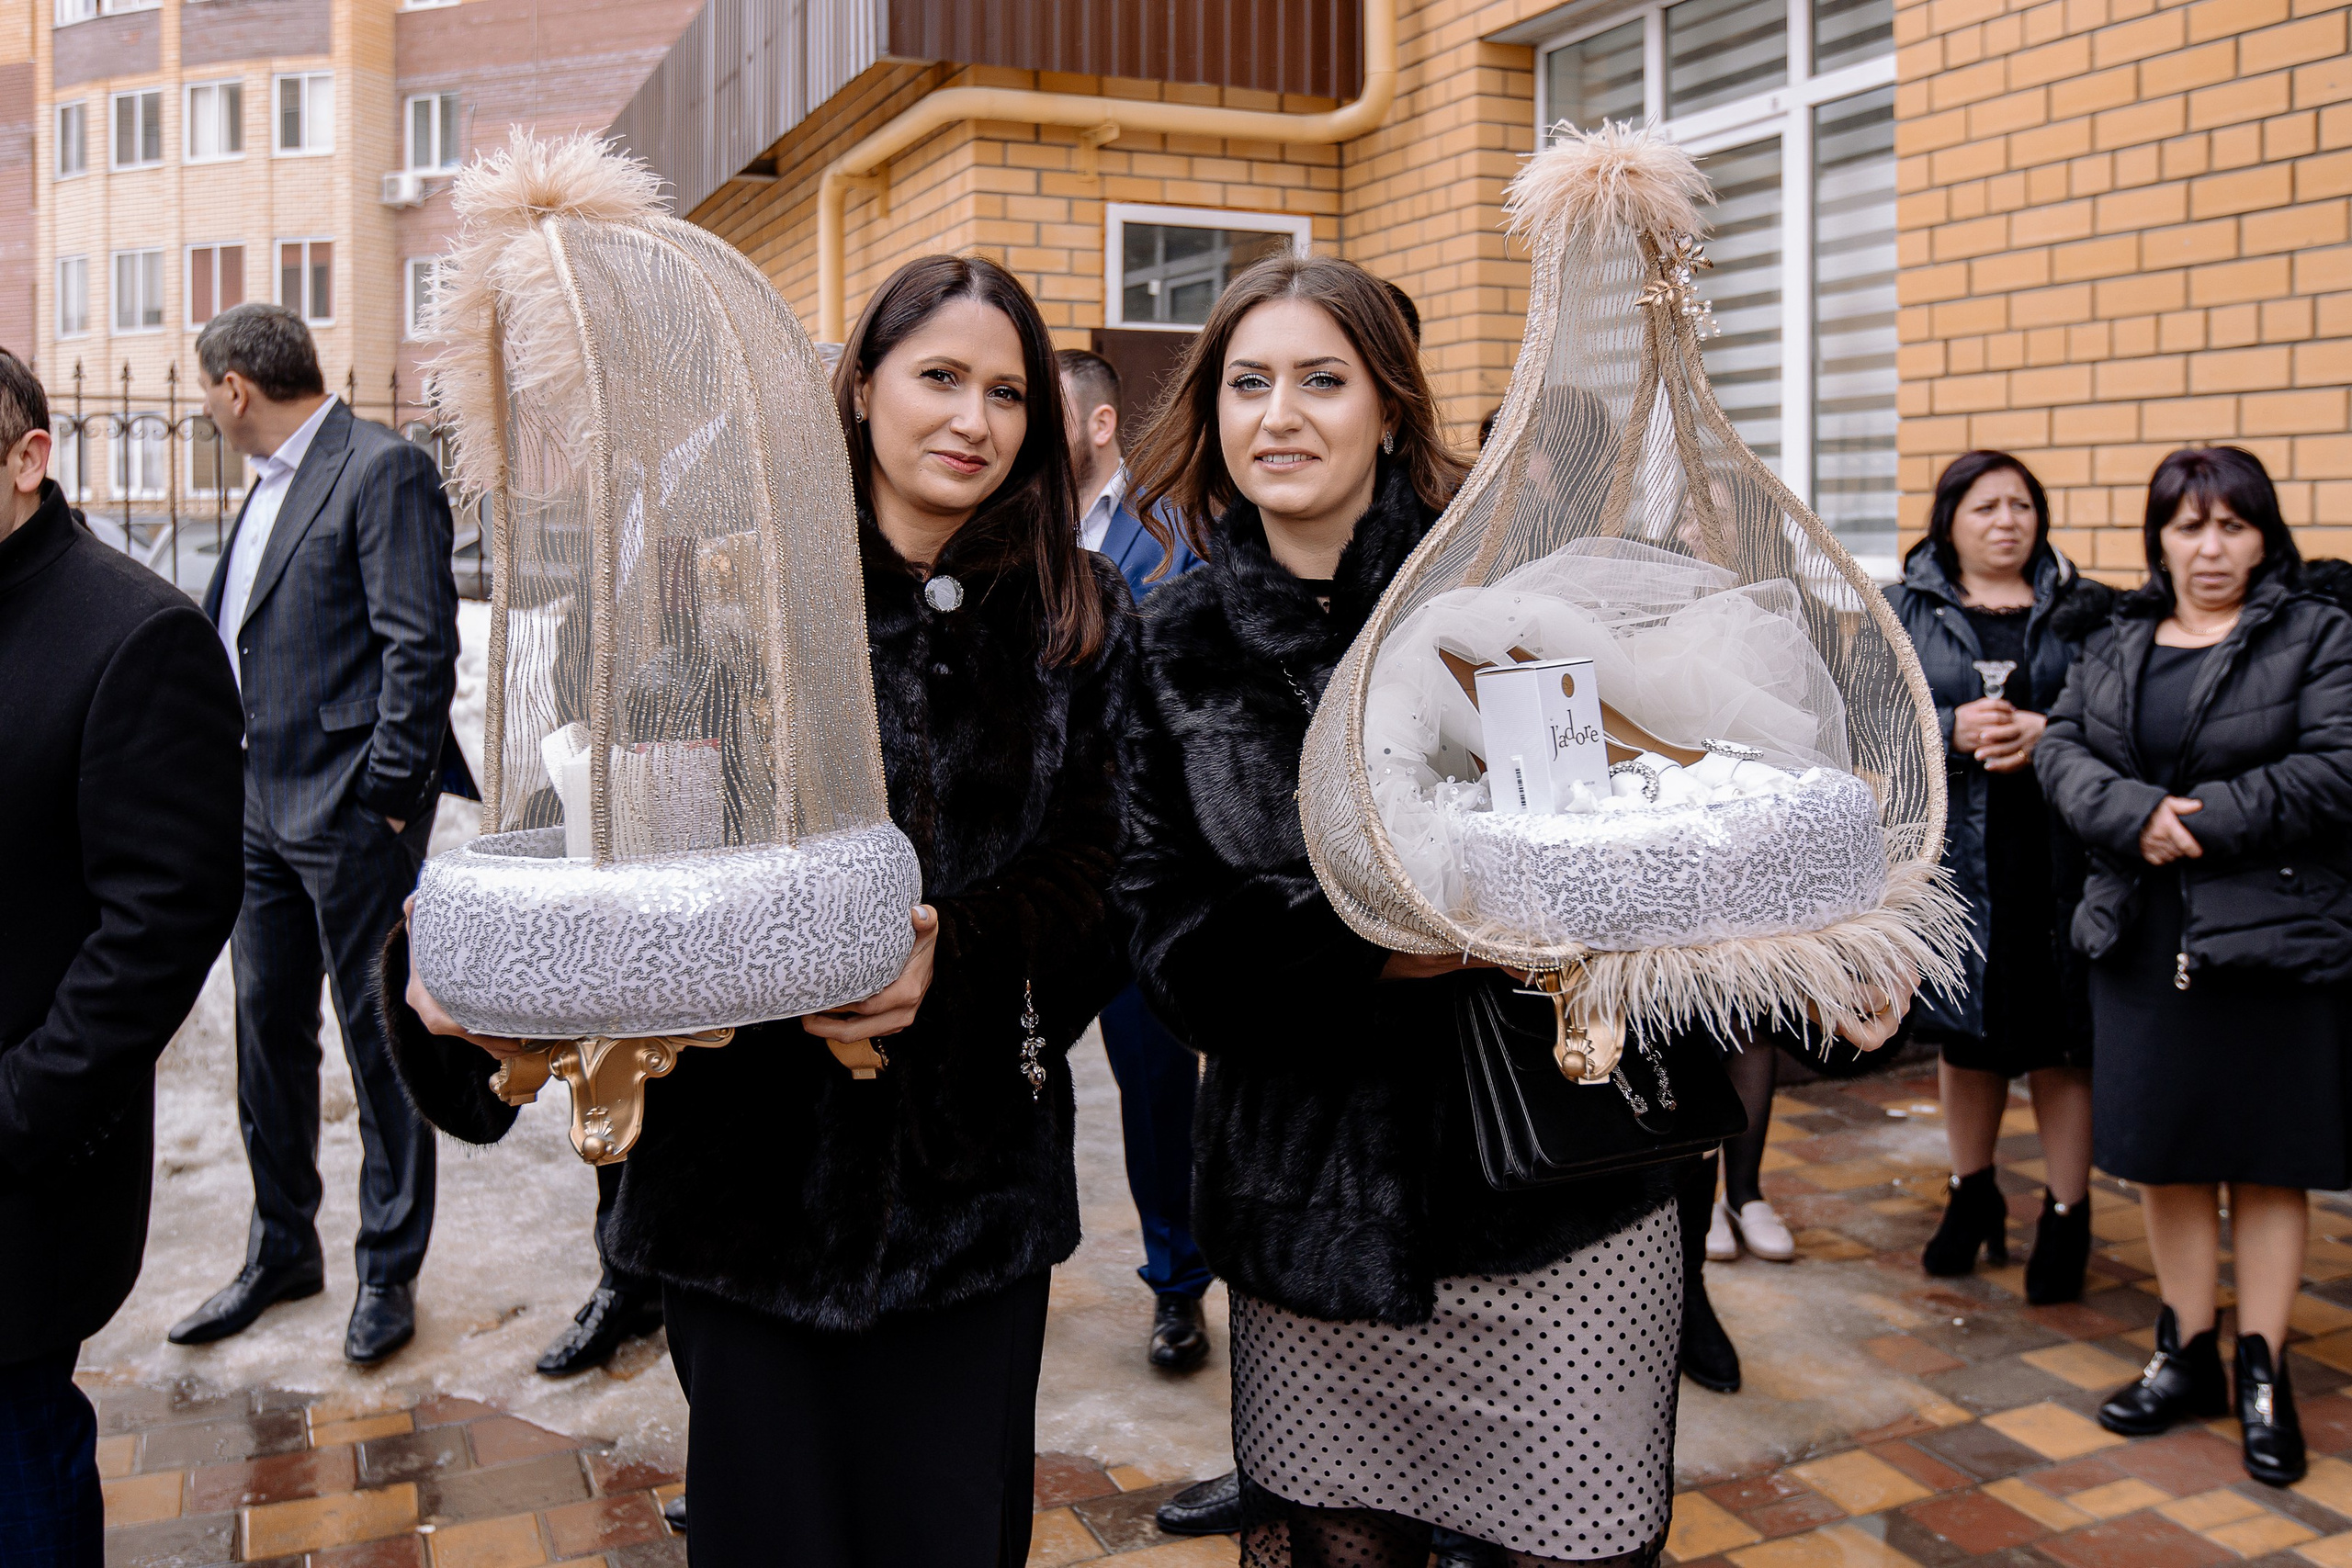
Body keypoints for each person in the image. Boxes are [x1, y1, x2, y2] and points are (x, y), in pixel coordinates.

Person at [1117, 254, 1899, 1565]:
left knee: (1573, 1542)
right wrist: (1378, 938)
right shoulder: (1169, 642)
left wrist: (1814, 959)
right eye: (1249, 382)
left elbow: (1655, 841)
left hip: (1561, 1195)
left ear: (1389, 404)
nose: (1280, 414)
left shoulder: (1505, 607)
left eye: (1323, 378)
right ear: (1212, 412)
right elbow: (1169, 948)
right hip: (1318, 1212)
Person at [390, 254, 1136, 1567]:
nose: (974, 419)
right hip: (742, 1182)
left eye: (1008, 392)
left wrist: (956, 960)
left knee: (951, 1535)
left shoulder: (1076, 611)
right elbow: (605, 814)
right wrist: (472, 983)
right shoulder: (713, 582)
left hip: (969, 1185)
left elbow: (1105, 868)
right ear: (859, 387)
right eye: (940, 377)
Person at [2040, 446, 2352, 1486]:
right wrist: (2135, 817)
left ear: (2264, 536)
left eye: (2231, 525)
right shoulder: (2119, 639)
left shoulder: (2317, 632)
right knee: (2164, 1151)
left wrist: (2199, 823)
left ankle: (2261, 1368)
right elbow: (2063, 749)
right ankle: (2185, 1354)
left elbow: (2335, 764)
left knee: (2265, 1157)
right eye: (2187, 525)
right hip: (2140, 933)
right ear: (2158, 538)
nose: (2208, 547)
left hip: (2270, 931)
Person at [169, 304, 458, 1366]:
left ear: (236, 386)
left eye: (208, 394)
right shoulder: (266, 487)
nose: (208, 411)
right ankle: (282, 1245)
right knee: (266, 1038)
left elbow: (419, 652)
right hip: (255, 809)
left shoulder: (379, 470)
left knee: (382, 1042)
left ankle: (388, 1268)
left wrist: (383, 801)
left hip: (347, 815)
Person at [0, 350, 245, 1559]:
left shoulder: (135, 632)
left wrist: (15, 1110)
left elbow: (159, 924)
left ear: (29, 457)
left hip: (14, 1183)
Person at [1885, 451, 2109, 1303]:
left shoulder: (2087, 612)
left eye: (2023, 505)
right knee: (1969, 1039)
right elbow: (1874, 722)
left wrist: (2050, 732)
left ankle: (2067, 1208)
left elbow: (2115, 717)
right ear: (1950, 520)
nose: (2008, 521)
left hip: (2057, 855)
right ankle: (1971, 1191)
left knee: (2058, 1042)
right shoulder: (1903, 610)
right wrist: (1950, 728)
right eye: (1987, 507)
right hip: (1958, 858)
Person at [1058, 347, 1215, 1374]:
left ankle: (1179, 1286)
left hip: (1142, 866)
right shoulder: (1006, 532)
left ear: (1101, 423)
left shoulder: (1173, 536)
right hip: (1034, 869)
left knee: (1158, 1086)